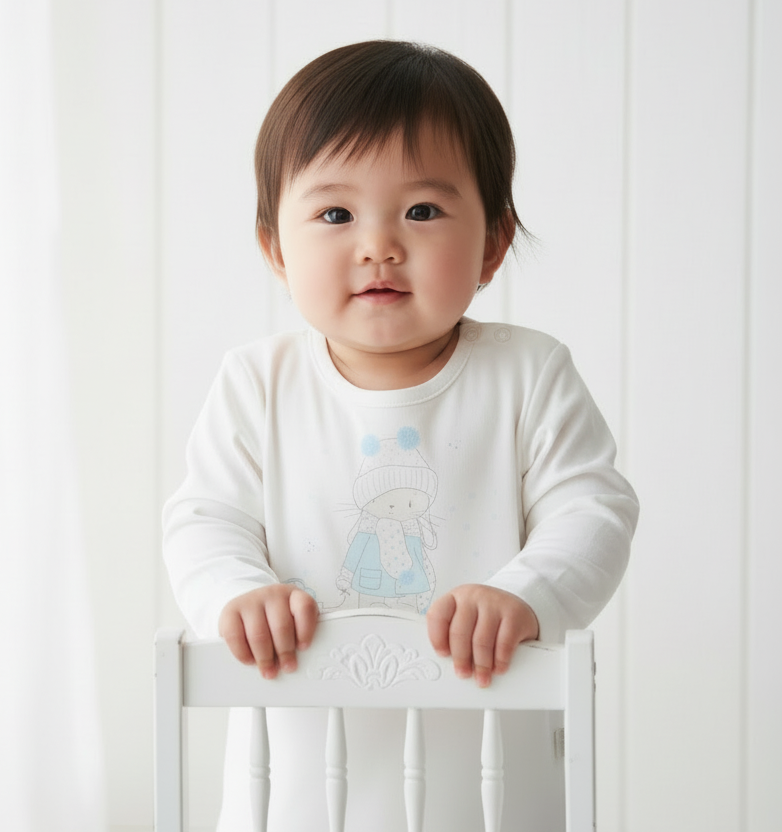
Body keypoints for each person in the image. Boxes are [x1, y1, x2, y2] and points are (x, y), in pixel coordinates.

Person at [163, 40, 638, 832]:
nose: (377, 244)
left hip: (490, 785)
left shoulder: (528, 374)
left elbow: (593, 511)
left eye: (422, 210)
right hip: (293, 785)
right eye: (335, 213)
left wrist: (525, 594)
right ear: (275, 246)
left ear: (491, 242)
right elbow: (203, 519)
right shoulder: (258, 382)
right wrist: (236, 595)